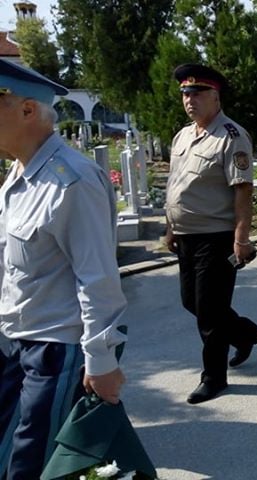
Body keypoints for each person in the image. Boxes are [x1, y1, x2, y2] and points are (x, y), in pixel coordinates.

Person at [0, 59, 127, 479]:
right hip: (16, 342)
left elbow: (98, 278)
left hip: (57, 349)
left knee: (34, 463)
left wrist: (101, 361)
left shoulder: (71, 180)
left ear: (27, 110)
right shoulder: (17, 177)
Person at [164, 64, 257, 404]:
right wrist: (169, 227)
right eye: (185, 94)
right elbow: (175, 186)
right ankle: (245, 333)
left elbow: (243, 190)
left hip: (217, 236)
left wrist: (242, 238)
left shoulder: (232, 136)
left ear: (215, 96)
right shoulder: (183, 136)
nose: (189, 100)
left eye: (197, 93)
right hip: (186, 235)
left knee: (208, 311)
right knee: (191, 301)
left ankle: (214, 377)